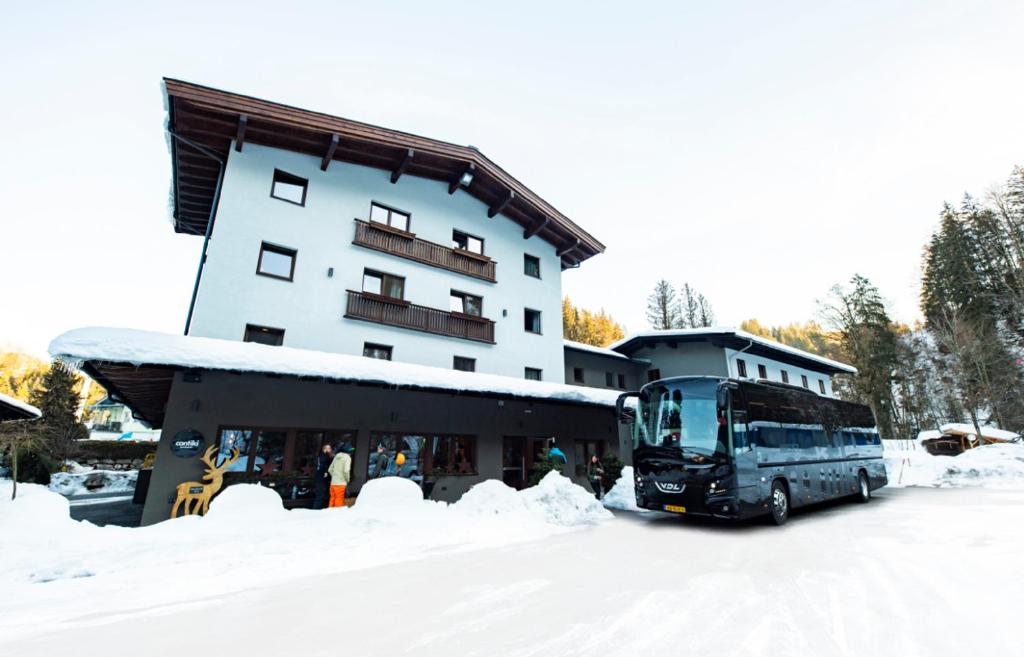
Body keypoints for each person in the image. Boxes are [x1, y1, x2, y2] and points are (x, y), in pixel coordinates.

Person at [327, 443, 352, 508]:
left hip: (333, 483)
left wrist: (335, 476)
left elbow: (330, 469)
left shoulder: (336, 456)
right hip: (341, 483)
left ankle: (329, 515)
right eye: (351, 451)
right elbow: (346, 470)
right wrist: (347, 479)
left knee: (332, 499)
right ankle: (336, 516)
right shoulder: (347, 458)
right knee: (339, 501)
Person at [311, 443, 333, 510]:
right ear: (324, 449)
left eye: (330, 448)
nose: (329, 450)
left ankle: (316, 509)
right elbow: (323, 466)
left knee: (320, 495)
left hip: (319, 478)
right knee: (320, 496)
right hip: (321, 479)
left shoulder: (320, 456)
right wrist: (326, 472)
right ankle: (315, 510)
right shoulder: (324, 457)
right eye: (328, 448)